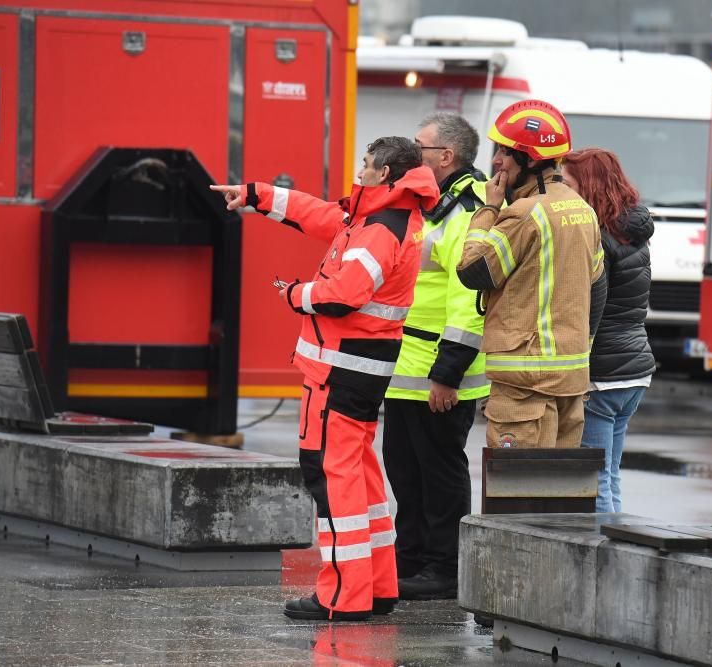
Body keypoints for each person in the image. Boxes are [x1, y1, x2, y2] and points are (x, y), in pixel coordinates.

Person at [211, 137, 439, 621]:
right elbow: (319, 215)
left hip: (339, 371)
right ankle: (377, 586)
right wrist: (257, 196)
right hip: (355, 369)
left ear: (385, 174)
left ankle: (342, 596)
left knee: (331, 480)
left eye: (366, 164)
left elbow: (342, 295)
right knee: (359, 477)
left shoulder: (381, 227)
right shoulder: (382, 217)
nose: (360, 169)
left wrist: (295, 294)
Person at [382, 113, 491, 601]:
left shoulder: (468, 210)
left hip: (439, 373)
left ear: (445, 157)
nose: (410, 154)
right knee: (404, 470)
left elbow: (469, 300)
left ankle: (443, 568)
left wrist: (447, 373)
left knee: (440, 474)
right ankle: (411, 560)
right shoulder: (429, 205)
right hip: (406, 367)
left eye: (418, 147)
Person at [457, 99, 607, 449]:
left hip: (525, 386)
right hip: (570, 380)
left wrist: (489, 208)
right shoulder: (581, 209)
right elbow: (598, 289)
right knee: (558, 494)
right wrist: (579, 348)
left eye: (506, 153)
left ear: (532, 159)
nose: (496, 161)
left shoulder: (523, 214)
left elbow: (472, 271)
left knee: (517, 496)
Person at [561, 148, 656, 512]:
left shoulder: (596, 237)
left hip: (602, 370)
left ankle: (600, 562)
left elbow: (589, 306)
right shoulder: (633, 232)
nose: (561, 190)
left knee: (595, 481)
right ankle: (613, 554)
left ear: (588, 186)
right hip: (634, 369)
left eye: (567, 182)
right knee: (609, 474)